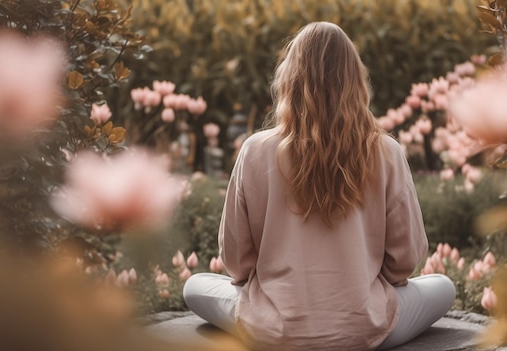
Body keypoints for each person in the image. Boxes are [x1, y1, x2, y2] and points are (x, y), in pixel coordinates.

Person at [183, 21, 455, 351]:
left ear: (290, 79)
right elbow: (403, 263)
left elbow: (236, 263)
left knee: (195, 286)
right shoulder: (387, 152)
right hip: (363, 329)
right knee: (443, 286)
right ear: (355, 80)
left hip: (274, 329)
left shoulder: (255, 149)